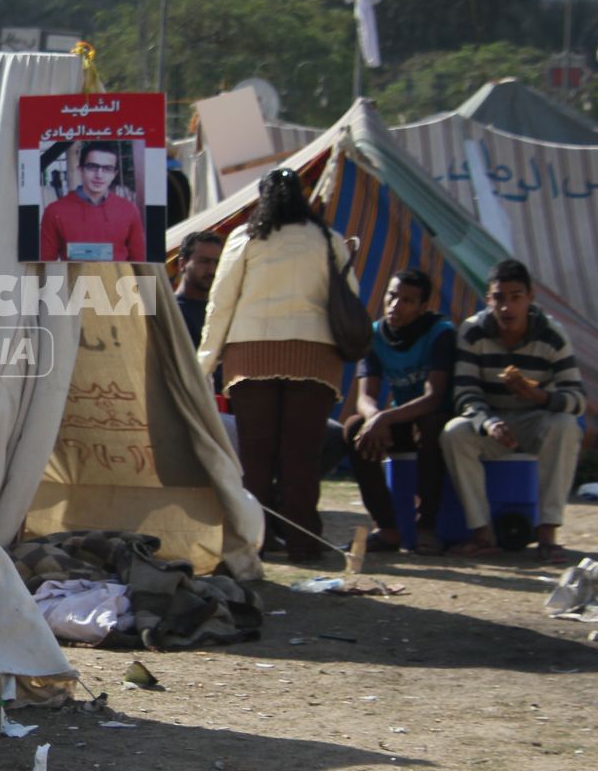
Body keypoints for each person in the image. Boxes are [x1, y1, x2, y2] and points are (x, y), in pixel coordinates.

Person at [196, 167, 356, 565]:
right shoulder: (327, 239)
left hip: (251, 354)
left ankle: (256, 543)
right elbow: (350, 299)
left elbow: (221, 304)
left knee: (256, 455)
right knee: (301, 454)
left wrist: (204, 362)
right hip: (314, 355)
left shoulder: (246, 238)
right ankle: (303, 541)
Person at [441, 258, 585, 566]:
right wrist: (488, 422)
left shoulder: (553, 335)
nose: (507, 308)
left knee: (566, 425)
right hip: (492, 422)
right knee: (454, 433)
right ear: (488, 299)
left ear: (530, 298)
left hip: (536, 422)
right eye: (499, 298)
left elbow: (577, 398)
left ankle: (547, 534)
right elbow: (465, 393)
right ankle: (482, 533)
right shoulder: (472, 332)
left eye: (516, 297)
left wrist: (540, 396)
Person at [342, 268, 456, 555]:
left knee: (431, 427)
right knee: (355, 428)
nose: (395, 306)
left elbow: (434, 397)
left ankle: (426, 526)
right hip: (399, 417)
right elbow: (365, 396)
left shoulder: (440, 333)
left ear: (422, 307)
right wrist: (373, 418)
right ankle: (388, 527)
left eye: (407, 300)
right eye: (392, 296)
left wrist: (384, 417)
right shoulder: (375, 334)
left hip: (436, 417)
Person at [39, 142, 145, 262]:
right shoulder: (55, 211)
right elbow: (45, 263)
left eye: (107, 169)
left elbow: (139, 262)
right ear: (81, 170)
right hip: (74, 280)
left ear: (114, 174)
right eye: (92, 167)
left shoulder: (129, 210)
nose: (99, 175)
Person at [174, 229, 224, 351]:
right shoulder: (170, 311)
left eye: (217, 263)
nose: (212, 270)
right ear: (182, 264)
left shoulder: (221, 310)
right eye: (204, 261)